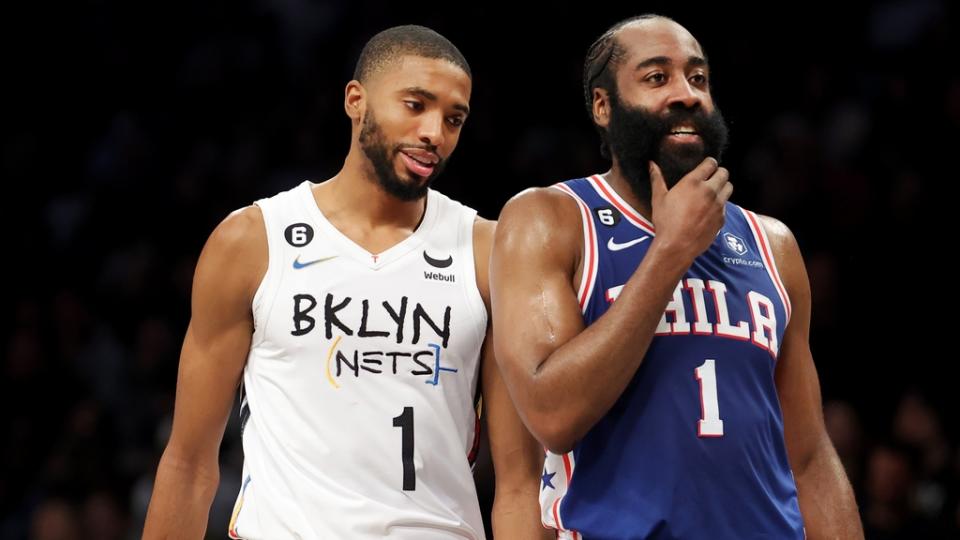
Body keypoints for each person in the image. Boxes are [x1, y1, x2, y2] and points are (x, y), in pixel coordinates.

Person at [143, 25, 546, 539]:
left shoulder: (487, 251)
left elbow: (517, 486)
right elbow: (188, 463)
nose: (434, 133)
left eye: (454, 118)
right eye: (415, 104)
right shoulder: (252, 241)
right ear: (356, 101)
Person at [490, 14, 864, 539]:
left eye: (698, 77)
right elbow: (553, 415)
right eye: (656, 77)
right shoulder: (551, 219)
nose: (686, 94)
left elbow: (809, 457)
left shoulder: (772, 244)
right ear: (603, 105)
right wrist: (671, 250)